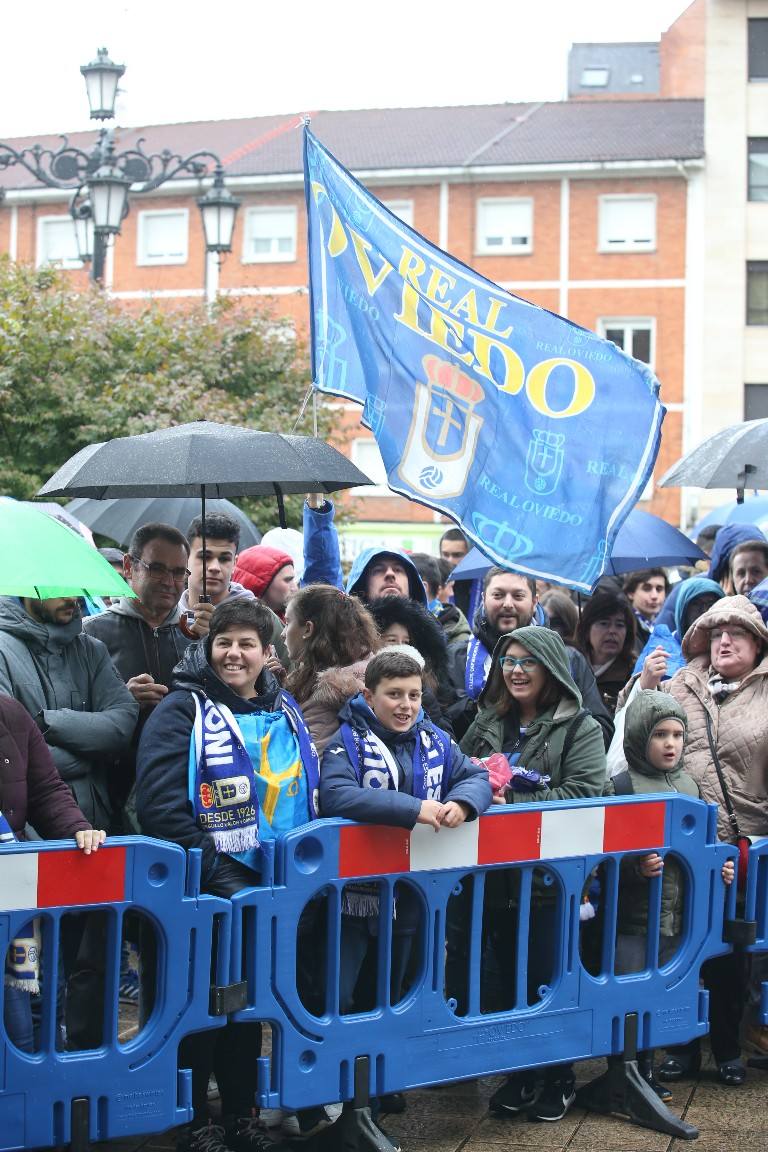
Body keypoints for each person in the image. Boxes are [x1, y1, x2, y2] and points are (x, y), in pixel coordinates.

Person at [136, 599, 324, 1152]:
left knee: (245, 1007)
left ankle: (241, 1113)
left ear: (269, 653)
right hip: (204, 889)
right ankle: (199, 1121)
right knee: (202, 1006)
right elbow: (160, 806)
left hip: (273, 886)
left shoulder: (284, 708)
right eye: (224, 642)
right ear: (208, 647)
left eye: (248, 643)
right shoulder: (182, 710)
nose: (234, 654)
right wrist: (220, 871)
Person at [460, 626, 605, 1123]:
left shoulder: (580, 726)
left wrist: (513, 804)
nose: (516, 671)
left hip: (548, 882)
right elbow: (455, 771)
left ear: (550, 668)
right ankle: (521, 1072)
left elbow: (585, 794)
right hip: (492, 880)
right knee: (505, 977)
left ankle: (558, 1074)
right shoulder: (485, 720)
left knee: (548, 976)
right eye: (508, 662)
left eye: (528, 662)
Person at [630, 596, 768, 1085]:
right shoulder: (679, 685)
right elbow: (636, 745)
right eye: (715, 633)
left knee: (733, 953)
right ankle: (681, 1048)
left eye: (737, 632)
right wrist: (643, 688)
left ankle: (728, 1050)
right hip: (680, 846)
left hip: (745, 847)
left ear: (758, 642)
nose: (724, 641)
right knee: (678, 947)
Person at [320, 647, 491, 1014]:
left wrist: (462, 803)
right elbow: (335, 795)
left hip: (414, 894)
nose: (406, 706)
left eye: (413, 696)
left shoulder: (436, 740)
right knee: (344, 996)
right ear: (369, 696)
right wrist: (413, 809)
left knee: (398, 994)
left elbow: (476, 777)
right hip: (355, 898)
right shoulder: (348, 741)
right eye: (394, 694)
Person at [604, 690, 734, 1100]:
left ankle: (648, 1069)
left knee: (660, 996)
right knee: (628, 994)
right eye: (660, 734)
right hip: (632, 918)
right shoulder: (621, 786)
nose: (671, 743)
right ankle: (624, 1070)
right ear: (641, 735)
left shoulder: (690, 785)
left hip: (678, 919)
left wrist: (720, 867)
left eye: (678, 734)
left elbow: (705, 844)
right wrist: (634, 868)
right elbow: (605, 855)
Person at [1, 694, 106, 1053]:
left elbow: (45, 789)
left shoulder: (9, 713)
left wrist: (77, 828)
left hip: (10, 900)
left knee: (21, 1026)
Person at [83, 523, 194, 826]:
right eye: (157, 568)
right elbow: (72, 714)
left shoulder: (198, 639)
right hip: (108, 790)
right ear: (130, 566)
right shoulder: (90, 633)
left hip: (181, 791)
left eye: (178, 572)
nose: (169, 581)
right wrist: (122, 700)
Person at [448, 567, 613, 746]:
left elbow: (602, 732)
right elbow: (442, 729)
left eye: (518, 596)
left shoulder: (568, 659)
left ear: (535, 601)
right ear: (484, 599)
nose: (508, 604)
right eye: (498, 595)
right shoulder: (456, 658)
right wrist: (481, 704)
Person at [179, 513, 289, 668]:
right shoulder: (167, 616)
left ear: (235, 563)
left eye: (224, 559)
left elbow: (290, 680)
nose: (214, 567)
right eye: (205, 557)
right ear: (185, 559)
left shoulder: (263, 619)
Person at [283, 585, 379, 754]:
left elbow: (310, 765)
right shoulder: (370, 669)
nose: (283, 633)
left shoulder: (328, 697)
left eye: (288, 622)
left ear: (307, 629)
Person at [575, 593, 636, 713]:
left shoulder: (633, 674)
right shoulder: (571, 667)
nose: (612, 631)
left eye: (619, 625)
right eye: (604, 623)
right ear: (586, 629)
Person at [233, 545, 298, 621]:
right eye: (287, 580)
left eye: (293, 580)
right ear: (262, 585)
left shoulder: (293, 621)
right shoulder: (238, 626)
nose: (295, 588)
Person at [622, 569, 669, 652]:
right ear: (631, 593)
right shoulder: (623, 627)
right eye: (647, 588)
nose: (654, 596)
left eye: (659, 589)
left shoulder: (665, 626)